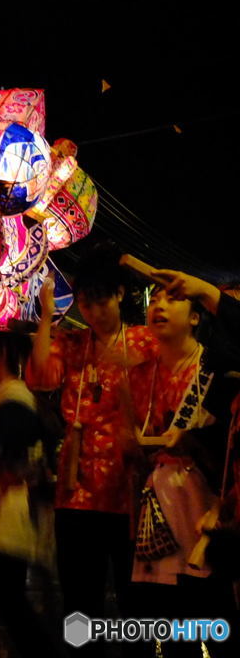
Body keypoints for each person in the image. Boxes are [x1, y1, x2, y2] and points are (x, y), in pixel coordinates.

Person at [27, 247, 156, 653]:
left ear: (120, 295)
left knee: (135, 599)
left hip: (127, 490)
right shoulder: (72, 342)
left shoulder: (144, 341)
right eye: (86, 303)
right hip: (76, 490)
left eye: (102, 300)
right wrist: (47, 315)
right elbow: (41, 377)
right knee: (79, 600)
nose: (95, 311)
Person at [128, 277, 240, 657]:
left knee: (212, 613)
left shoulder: (216, 369)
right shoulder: (141, 373)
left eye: (171, 299)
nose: (158, 305)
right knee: (172, 628)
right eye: (154, 299)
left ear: (196, 317)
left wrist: (191, 442)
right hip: (158, 507)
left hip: (204, 503)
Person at [0, 332, 58, 658]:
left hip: (16, 501)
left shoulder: (12, 399)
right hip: (15, 500)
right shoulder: (11, 395)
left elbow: (0, 450)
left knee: (5, 589)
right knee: (7, 589)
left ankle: (36, 650)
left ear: (2, 353)